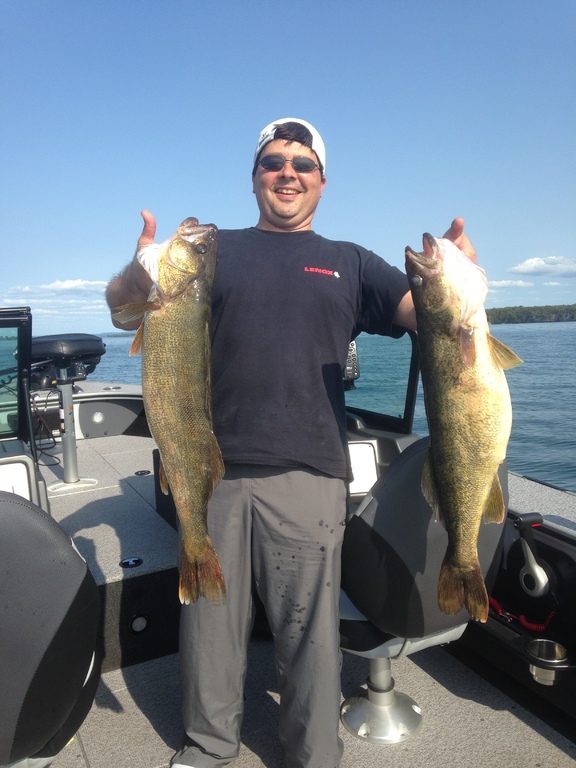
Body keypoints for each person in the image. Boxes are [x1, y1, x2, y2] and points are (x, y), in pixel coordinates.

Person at [106, 118, 476, 768]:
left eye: (302, 163)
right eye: (274, 160)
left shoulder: (350, 261)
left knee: (309, 631)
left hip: (309, 475)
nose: (288, 172)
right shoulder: (211, 252)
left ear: (321, 181)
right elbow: (121, 310)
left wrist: (458, 281)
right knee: (210, 623)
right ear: (256, 176)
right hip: (212, 470)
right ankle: (208, 747)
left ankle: (313, 755)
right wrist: (137, 276)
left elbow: (427, 315)